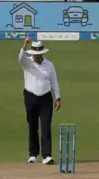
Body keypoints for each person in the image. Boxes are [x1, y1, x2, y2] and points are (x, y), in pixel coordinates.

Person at [19, 37, 61, 165]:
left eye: (39, 55)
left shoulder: (49, 65)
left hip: (46, 98)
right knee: (32, 126)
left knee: (46, 126)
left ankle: (47, 155)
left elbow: (54, 82)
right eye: (35, 55)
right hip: (30, 97)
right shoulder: (27, 62)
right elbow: (20, 57)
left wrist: (58, 97)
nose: (37, 57)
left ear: (43, 53)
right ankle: (33, 154)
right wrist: (25, 45)